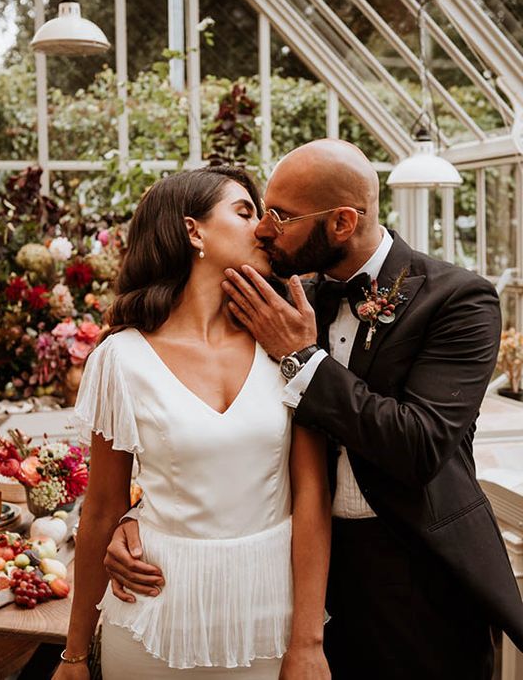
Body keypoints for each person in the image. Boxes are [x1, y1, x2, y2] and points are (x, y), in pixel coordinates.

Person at [105, 139, 523, 679]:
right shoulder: (282, 297)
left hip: (420, 577)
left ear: (343, 223)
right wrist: (135, 518)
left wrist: (303, 358)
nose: (264, 229)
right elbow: (208, 427)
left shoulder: (458, 300)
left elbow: (418, 447)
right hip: (306, 578)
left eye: (280, 216)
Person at [52, 166, 332, 680]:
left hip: (269, 615)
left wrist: (308, 642)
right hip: (153, 615)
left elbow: (312, 493)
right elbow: (102, 510)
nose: (265, 228)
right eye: (245, 212)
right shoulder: (120, 358)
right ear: (192, 230)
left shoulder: (284, 343)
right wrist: (73, 655)